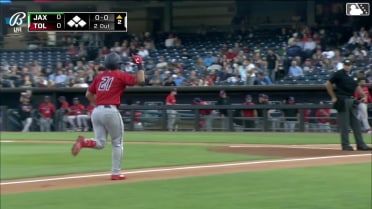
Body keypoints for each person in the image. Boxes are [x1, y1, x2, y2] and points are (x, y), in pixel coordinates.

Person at [71, 52, 145, 180]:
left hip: (97, 111)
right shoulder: (119, 75)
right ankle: (116, 173)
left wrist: (98, 104)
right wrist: (139, 64)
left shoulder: (100, 77)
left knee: (100, 143)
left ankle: (84, 142)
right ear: (118, 64)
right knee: (117, 143)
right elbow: (141, 81)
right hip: (110, 110)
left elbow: (88, 94)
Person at [325, 59, 372, 151]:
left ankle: (361, 144)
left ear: (351, 65)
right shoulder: (339, 73)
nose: (347, 66)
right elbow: (328, 84)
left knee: (356, 123)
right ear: (343, 65)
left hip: (352, 100)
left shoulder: (352, 75)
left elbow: (356, 86)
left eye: (349, 65)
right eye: (346, 64)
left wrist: (363, 95)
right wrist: (333, 97)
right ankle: (345, 144)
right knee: (344, 124)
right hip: (342, 100)